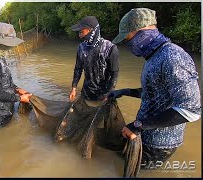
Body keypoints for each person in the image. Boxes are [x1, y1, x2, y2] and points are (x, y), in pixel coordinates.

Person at [109, 8, 201, 168]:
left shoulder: (172, 57)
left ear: (139, 30)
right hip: (144, 135)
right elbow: (155, 93)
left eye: (127, 38)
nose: (127, 43)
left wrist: (138, 126)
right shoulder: (154, 57)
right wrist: (124, 92)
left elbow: (191, 111)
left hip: (158, 145)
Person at [69, 16, 119, 106]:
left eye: (81, 32)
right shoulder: (81, 48)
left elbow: (114, 74)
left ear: (91, 30)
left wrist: (109, 94)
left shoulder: (110, 48)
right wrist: (74, 88)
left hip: (103, 95)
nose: (79, 35)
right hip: (86, 93)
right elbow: (78, 68)